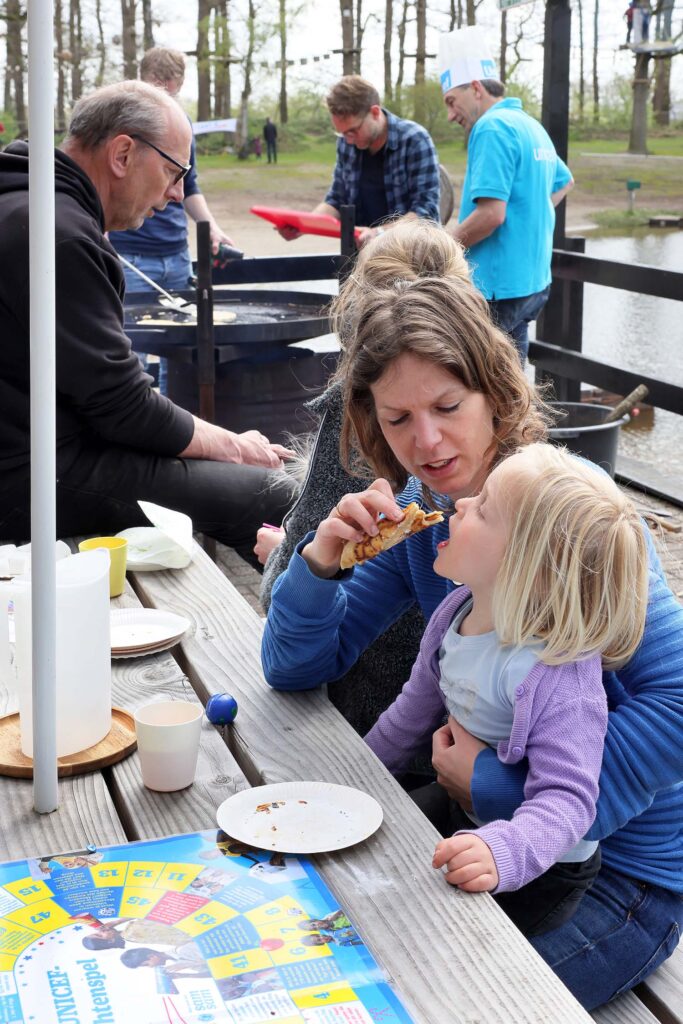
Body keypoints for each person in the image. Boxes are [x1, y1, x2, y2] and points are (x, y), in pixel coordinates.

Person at [260, 223, 683, 1010]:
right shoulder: (426, 520)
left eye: (447, 406)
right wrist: (317, 564)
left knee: (453, 1002)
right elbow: (295, 667)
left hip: (621, 874)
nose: (424, 441)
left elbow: (679, 702)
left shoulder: (570, 512)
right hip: (478, 839)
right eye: (395, 420)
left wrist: (500, 784)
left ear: (496, 392)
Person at [0, 80, 295, 561]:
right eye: (174, 171)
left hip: (43, 449)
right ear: (122, 154)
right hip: (26, 479)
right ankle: (301, 633)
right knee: (274, 496)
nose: (177, 194)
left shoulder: (29, 202)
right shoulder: (58, 235)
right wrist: (236, 448)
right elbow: (123, 408)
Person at [367, 443, 649, 937]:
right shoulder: (456, 613)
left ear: (527, 565)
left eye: (484, 507)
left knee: (437, 942)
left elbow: (568, 800)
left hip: (540, 866)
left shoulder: (558, 674)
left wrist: (505, 851)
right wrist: (356, 776)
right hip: (467, 816)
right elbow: (410, 715)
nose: (460, 504)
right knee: (371, 852)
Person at [438, 27, 574, 362]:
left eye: (452, 102)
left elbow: (491, 215)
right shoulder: (529, 125)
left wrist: (443, 248)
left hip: (495, 289)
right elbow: (564, 181)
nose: (451, 114)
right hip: (533, 285)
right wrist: (527, 217)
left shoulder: (492, 127)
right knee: (512, 384)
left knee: (482, 388)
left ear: (475, 88)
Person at [109, 47, 237, 396]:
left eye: (174, 91)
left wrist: (210, 227)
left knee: (179, 356)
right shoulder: (122, 127)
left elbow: (188, 185)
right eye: (160, 89)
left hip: (176, 255)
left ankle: (172, 426)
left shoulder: (181, 124)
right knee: (128, 351)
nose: (168, 99)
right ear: (145, 81)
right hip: (130, 256)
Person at [278, 76, 440, 247]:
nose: (348, 140)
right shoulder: (346, 144)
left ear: (375, 112)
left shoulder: (415, 140)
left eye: (353, 130)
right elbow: (337, 200)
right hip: (361, 257)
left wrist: (380, 233)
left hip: (409, 256)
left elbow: (425, 214)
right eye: (342, 133)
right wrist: (303, 225)